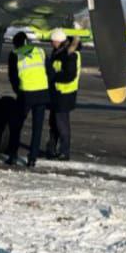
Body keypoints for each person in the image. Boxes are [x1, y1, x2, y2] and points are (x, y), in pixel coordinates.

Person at [6, 32, 51, 168]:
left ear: (15, 43)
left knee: (17, 125)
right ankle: (32, 159)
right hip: (42, 93)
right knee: (37, 129)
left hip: (26, 95)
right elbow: (50, 71)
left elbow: (13, 76)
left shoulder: (15, 54)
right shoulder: (40, 51)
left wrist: (17, 90)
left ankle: (13, 156)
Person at [47, 31, 81, 161]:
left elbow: (69, 75)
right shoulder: (59, 52)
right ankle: (52, 148)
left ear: (58, 41)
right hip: (57, 93)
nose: (51, 43)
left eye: (52, 41)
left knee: (62, 125)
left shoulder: (69, 54)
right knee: (54, 123)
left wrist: (53, 76)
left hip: (64, 94)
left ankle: (64, 151)